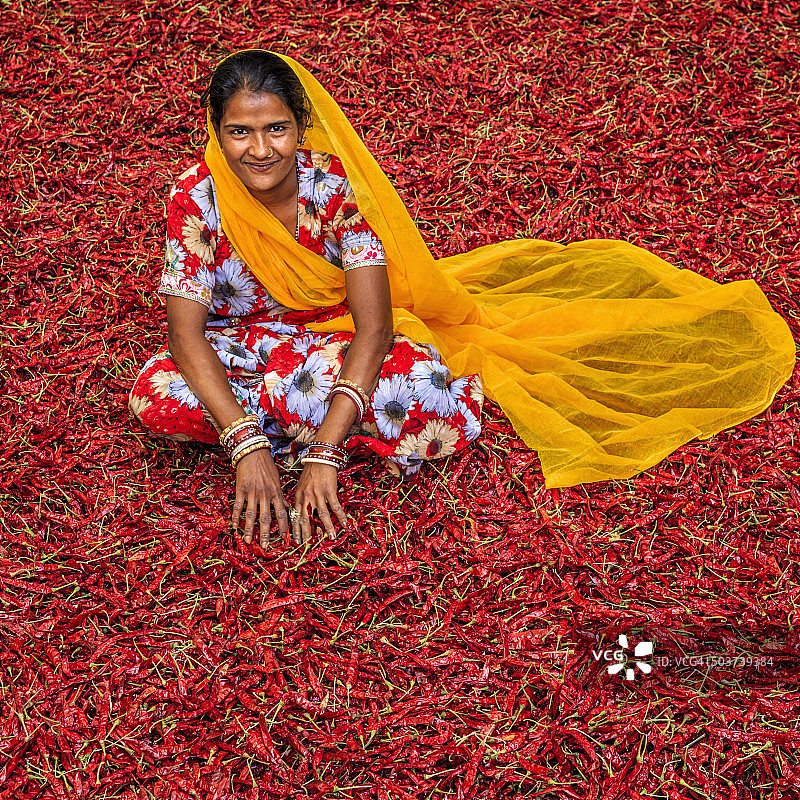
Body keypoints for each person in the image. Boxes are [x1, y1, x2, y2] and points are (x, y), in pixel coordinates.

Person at [130, 49, 795, 550]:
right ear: (215, 133)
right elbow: (187, 337)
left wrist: (326, 450)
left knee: (425, 390)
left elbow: (374, 327)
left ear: (300, 127)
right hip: (239, 348)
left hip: (328, 340)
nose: (259, 149)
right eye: (239, 132)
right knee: (155, 392)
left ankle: (316, 428)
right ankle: (301, 426)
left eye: (275, 128)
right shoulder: (196, 195)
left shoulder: (332, 191)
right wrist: (245, 445)